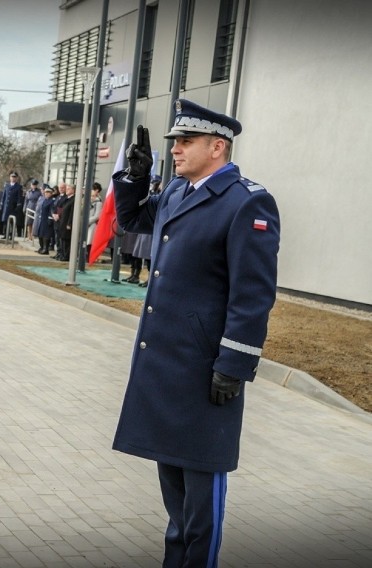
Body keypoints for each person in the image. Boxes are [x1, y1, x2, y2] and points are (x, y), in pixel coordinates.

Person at [111, 100, 280, 567]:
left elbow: (253, 295)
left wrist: (234, 365)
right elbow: (134, 223)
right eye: (175, 143)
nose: (176, 150)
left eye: (185, 142)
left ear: (217, 146)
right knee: (176, 503)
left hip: (206, 373)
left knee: (201, 504)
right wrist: (134, 179)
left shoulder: (247, 201)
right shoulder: (177, 193)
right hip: (167, 367)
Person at [0, 171, 22, 238]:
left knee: (12, 222)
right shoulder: (7, 185)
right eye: (11, 177)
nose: (13, 178)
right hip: (6, 206)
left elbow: (19, 197)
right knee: (5, 221)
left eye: (14, 177)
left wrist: (18, 205)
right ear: (10, 178)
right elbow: (4, 196)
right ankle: (5, 234)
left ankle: (11, 235)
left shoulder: (18, 187)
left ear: (16, 178)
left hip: (13, 207)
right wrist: (1, 204)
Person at [84, 182, 103, 263]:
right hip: (86, 224)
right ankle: (85, 257)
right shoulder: (87, 200)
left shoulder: (98, 202)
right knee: (85, 241)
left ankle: (89, 257)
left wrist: (87, 221)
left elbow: (97, 215)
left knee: (89, 242)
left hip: (92, 224)